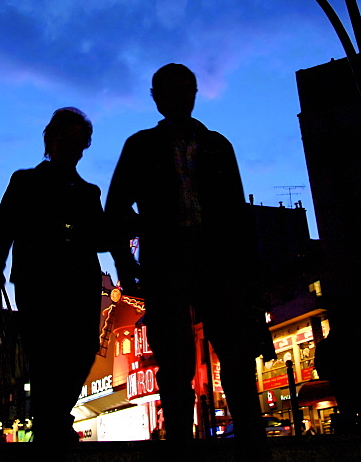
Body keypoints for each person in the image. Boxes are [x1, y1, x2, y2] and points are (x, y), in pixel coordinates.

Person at [106, 63, 269, 449]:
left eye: (186, 89)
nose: (180, 97)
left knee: (233, 348)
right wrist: (128, 261)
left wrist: (248, 271)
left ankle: (248, 431)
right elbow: (116, 210)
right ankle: (180, 436)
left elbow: (236, 211)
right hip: (168, 260)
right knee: (175, 355)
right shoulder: (141, 145)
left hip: (218, 259)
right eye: (171, 91)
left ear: (195, 93)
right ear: (157, 98)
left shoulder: (217, 146)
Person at [0, 107, 104, 444]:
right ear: (52, 141)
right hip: (40, 279)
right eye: (69, 140)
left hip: (79, 281)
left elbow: (100, 238)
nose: (75, 148)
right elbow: (3, 225)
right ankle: (52, 421)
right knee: (47, 349)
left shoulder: (88, 192)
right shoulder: (25, 181)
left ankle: (54, 417)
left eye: (80, 141)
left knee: (80, 349)